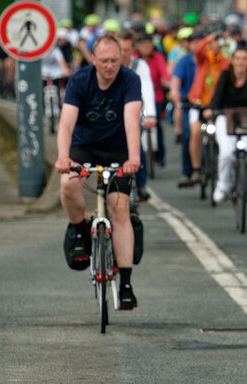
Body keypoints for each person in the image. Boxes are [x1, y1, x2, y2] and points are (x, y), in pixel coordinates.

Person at [56, 34, 142, 309]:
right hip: (85, 147)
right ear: (93, 60)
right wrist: (63, 157)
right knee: (68, 184)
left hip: (119, 150)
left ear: (121, 59)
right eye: (104, 61)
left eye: (115, 60)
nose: (109, 66)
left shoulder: (130, 80)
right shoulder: (80, 80)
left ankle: (126, 283)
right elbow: (67, 124)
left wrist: (134, 158)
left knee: (120, 210)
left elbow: (131, 122)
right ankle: (80, 228)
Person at [209, 47, 247, 203]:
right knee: (226, 152)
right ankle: (223, 186)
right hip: (226, 117)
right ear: (232, 61)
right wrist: (211, 110)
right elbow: (217, 97)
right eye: (237, 58)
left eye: (244, 59)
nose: (240, 62)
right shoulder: (225, 76)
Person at [182, 32, 230, 187]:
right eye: (213, 42)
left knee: (222, 135)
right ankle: (196, 168)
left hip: (216, 105)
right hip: (198, 102)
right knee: (195, 132)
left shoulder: (225, 61)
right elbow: (197, 50)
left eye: (218, 42)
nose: (216, 45)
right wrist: (209, 37)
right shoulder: (204, 58)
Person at [118, 30, 158, 202]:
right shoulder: (110, 64)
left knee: (137, 146)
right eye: (120, 48)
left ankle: (141, 184)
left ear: (132, 49)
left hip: (135, 112)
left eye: (126, 49)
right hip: (113, 113)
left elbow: (147, 90)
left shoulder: (139, 65)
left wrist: (150, 115)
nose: (122, 53)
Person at [171, 30, 202, 188]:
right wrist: (175, 94)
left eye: (200, 41)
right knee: (188, 135)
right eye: (194, 42)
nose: (197, 45)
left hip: (209, 105)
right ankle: (187, 171)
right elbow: (175, 81)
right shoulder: (184, 61)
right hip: (190, 104)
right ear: (188, 45)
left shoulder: (210, 61)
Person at [136, 33, 170, 168]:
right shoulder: (134, 59)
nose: (145, 47)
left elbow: (165, 74)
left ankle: (160, 156)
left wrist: (168, 83)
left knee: (158, 125)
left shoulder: (158, 57)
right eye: (143, 45)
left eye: (148, 45)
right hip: (137, 96)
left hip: (157, 94)